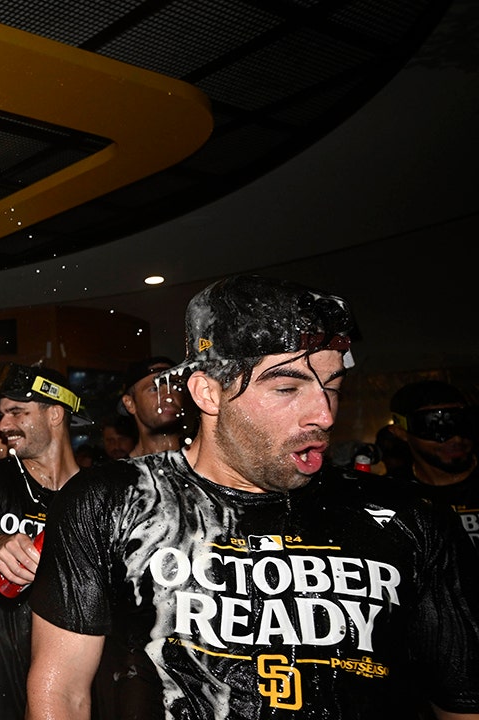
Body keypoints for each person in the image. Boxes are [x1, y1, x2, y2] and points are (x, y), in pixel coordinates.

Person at [27, 275, 479, 719]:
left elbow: (461, 701)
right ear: (208, 392)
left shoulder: (408, 516)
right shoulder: (115, 500)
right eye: (287, 388)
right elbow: (61, 693)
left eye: (333, 387)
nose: (322, 414)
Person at [0, 365, 86, 720]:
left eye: (17, 413)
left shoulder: (96, 494)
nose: (5, 426)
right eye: (3, 414)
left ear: (55, 413)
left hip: (66, 690)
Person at [388, 380, 478, 548]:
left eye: (462, 422)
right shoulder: (393, 496)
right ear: (400, 432)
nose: (456, 439)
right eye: (434, 426)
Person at [118, 355, 187, 458]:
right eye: (154, 389)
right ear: (130, 404)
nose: (168, 396)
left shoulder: (206, 463)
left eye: (175, 387)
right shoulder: (122, 472)